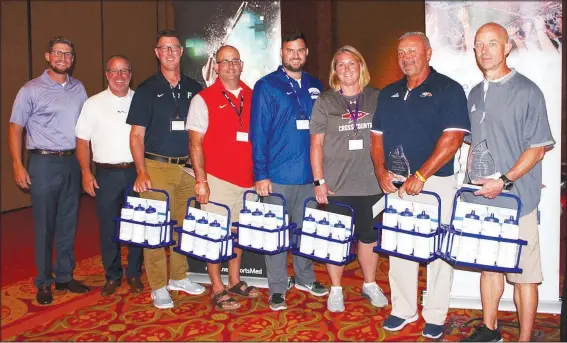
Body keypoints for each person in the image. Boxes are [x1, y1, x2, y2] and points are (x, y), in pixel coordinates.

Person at [370, 31, 470, 339]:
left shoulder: (448, 89)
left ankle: (436, 313)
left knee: (439, 250)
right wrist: (381, 172)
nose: (406, 57)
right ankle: (403, 309)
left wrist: (422, 176)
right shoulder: (388, 93)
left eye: (412, 51)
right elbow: (376, 139)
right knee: (401, 246)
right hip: (398, 184)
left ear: (428, 53)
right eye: (401, 53)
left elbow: (452, 139)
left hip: (435, 183)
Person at [462, 22, 555, 342]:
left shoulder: (528, 91)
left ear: (506, 47)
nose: (484, 50)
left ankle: (525, 339)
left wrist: (505, 179)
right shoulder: (474, 93)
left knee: (524, 276)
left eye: (492, 43)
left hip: (517, 200)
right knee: (489, 269)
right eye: (479, 44)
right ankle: (490, 331)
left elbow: (538, 147)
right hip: (482, 201)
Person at [126, 29, 205, 309]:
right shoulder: (146, 90)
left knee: (184, 227)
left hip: (187, 168)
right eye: (164, 48)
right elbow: (136, 136)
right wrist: (141, 172)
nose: (170, 53)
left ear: (181, 51)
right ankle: (158, 285)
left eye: (174, 48)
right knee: (156, 229)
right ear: (157, 53)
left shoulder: (196, 88)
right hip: (156, 167)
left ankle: (179, 277)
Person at [250, 30, 328, 311]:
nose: (295, 55)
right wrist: (260, 174)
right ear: (281, 53)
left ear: (306, 53)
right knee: (277, 234)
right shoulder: (266, 85)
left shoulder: (315, 85)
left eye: (300, 50)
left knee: (306, 232)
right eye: (289, 50)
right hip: (277, 177)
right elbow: (258, 132)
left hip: (309, 176)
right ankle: (278, 287)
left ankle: (306, 278)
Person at [9, 36, 90, 305]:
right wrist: (18, 164)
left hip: (71, 162)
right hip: (42, 162)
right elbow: (15, 127)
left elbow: (85, 129)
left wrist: (86, 165)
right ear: (47, 56)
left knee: (68, 222)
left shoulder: (79, 88)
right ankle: (44, 281)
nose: (63, 58)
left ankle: (65, 276)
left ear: (73, 59)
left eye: (68, 54)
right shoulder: (30, 89)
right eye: (58, 53)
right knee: (44, 225)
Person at [309, 45, 388, 312]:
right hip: (336, 185)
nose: (346, 69)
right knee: (337, 238)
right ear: (335, 72)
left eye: (351, 63)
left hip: (371, 184)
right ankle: (336, 289)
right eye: (340, 65)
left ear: (361, 66)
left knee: (369, 237)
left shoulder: (378, 98)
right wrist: (319, 181)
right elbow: (316, 144)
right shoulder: (325, 101)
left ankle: (369, 283)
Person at [186, 45, 260, 311]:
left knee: (238, 233)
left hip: (248, 180)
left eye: (235, 61)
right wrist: (201, 180)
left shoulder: (254, 96)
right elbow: (195, 144)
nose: (230, 66)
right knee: (215, 235)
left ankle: (235, 280)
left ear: (242, 65)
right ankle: (217, 286)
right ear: (216, 66)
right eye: (224, 62)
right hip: (217, 179)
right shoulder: (203, 99)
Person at [75, 55, 143, 296]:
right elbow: (82, 142)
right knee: (108, 229)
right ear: (107, 75)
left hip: (136, 173)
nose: (120, 76)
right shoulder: (92, 104)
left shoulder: (140, 100)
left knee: (138, 226)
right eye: (115, 71)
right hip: (105, 174)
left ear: (130, 75)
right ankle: (112, 275)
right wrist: (85, 171)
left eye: (125, 71)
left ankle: (134, 273)